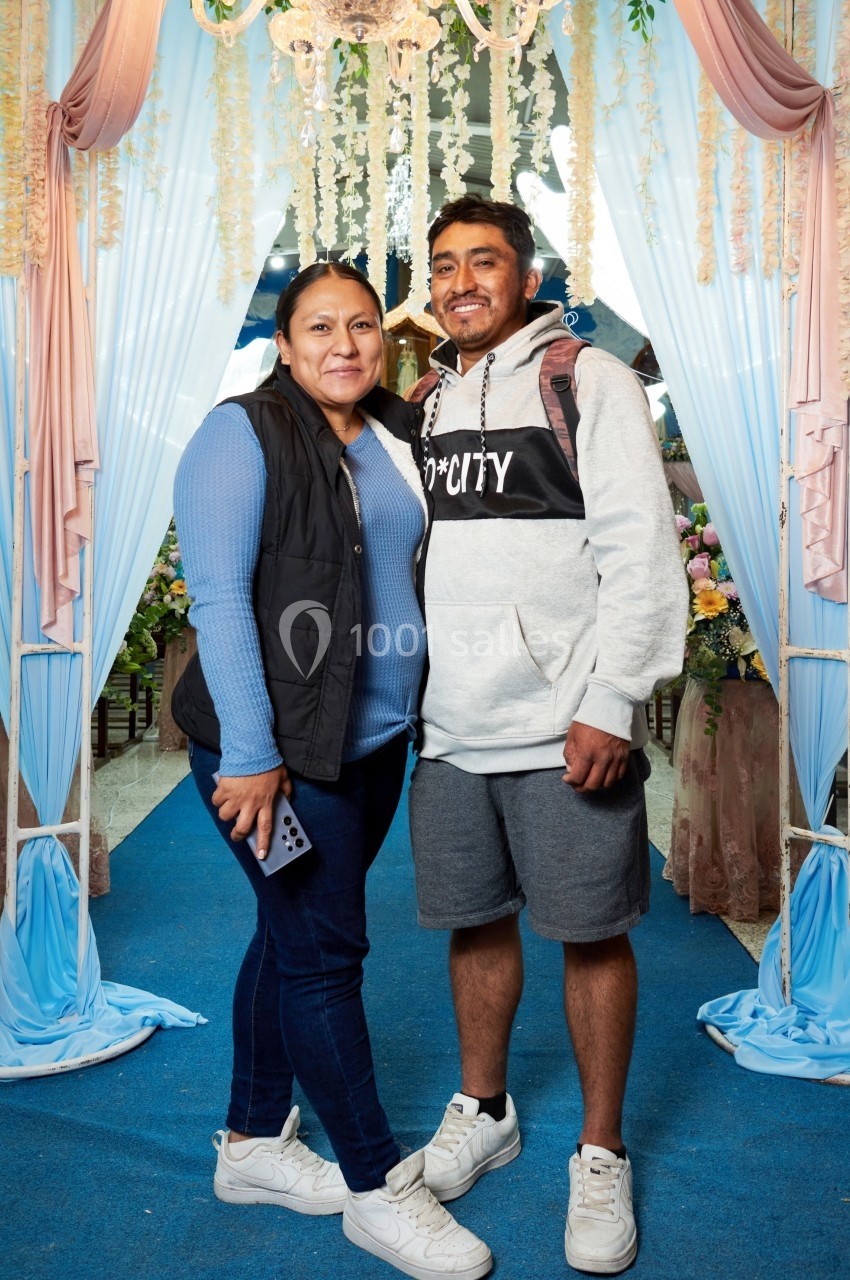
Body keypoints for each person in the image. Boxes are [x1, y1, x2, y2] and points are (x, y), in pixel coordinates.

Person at [171, 261, 492, 1280]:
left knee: (291, 929)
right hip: (274, 753)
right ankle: (374, 1184)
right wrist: (256, 754)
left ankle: (255, 1143)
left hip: (373, 741)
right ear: (284, 342)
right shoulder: (241, 432)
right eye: (320, 327)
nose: (345, 344)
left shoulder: (397, 430)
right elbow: (218, 601)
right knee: (323, 951)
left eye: (362, 325)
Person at [406, 196, 688, 1274]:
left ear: (526, 275)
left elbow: (639, 552)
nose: (461, 280)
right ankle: (486, 1108)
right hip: (448, 724)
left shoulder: (590, 379)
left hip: (565, 721)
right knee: (472, 923)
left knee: (589, 931)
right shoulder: (427, 399)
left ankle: (601, 1150)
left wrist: (610, 699)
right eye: (444, 265)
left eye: (484, 261)